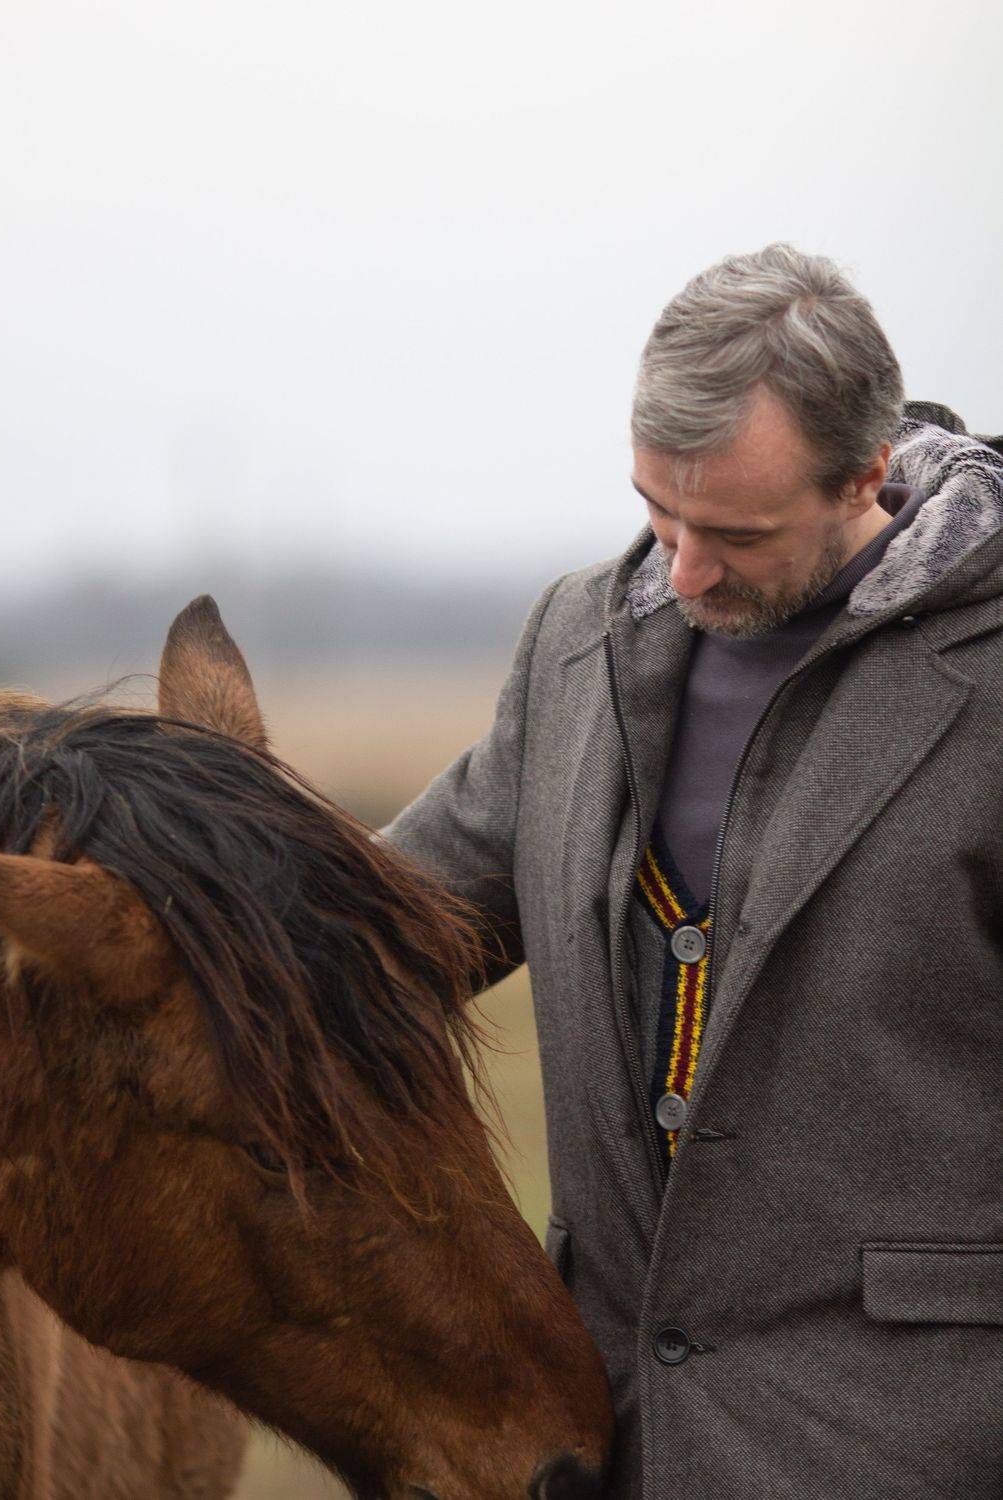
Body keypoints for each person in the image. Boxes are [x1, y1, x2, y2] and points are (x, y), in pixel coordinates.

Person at [381, 243, 1003, 1499]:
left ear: (865, 474)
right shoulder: (575, 641)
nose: (680, 571)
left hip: (917, 1444)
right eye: (656, 511)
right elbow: (380, 926)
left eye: (733, 532)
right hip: (605, 1433)